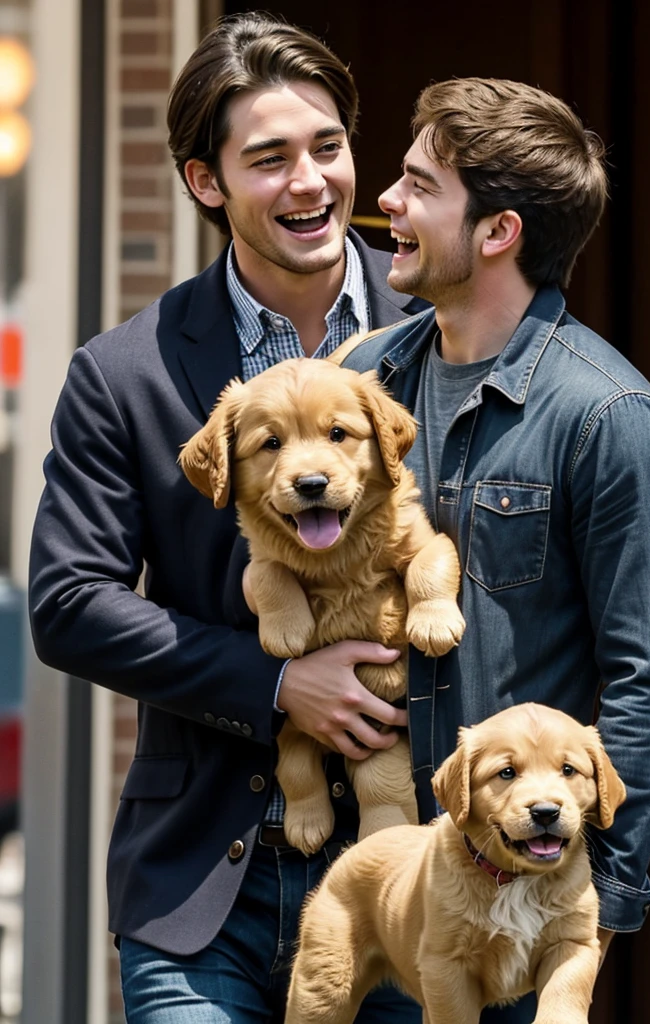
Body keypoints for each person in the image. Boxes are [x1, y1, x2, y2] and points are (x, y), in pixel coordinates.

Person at [27, 12, 428, 1024]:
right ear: (207, 182)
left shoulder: (441, 338)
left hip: (416, 874)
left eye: (327, 147)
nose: (310, 181)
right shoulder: (123, 374)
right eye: (269, 159)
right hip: (203, 891)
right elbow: (69, 602)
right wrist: (277, 681)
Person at [336, 77, 650, 1022]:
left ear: (497, 233)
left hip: (513, 925)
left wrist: (588, 919)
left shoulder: (612, 422)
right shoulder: (364, 380)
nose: (388, 204)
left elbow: (645, 686)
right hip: (369, 894)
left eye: (418, 187)